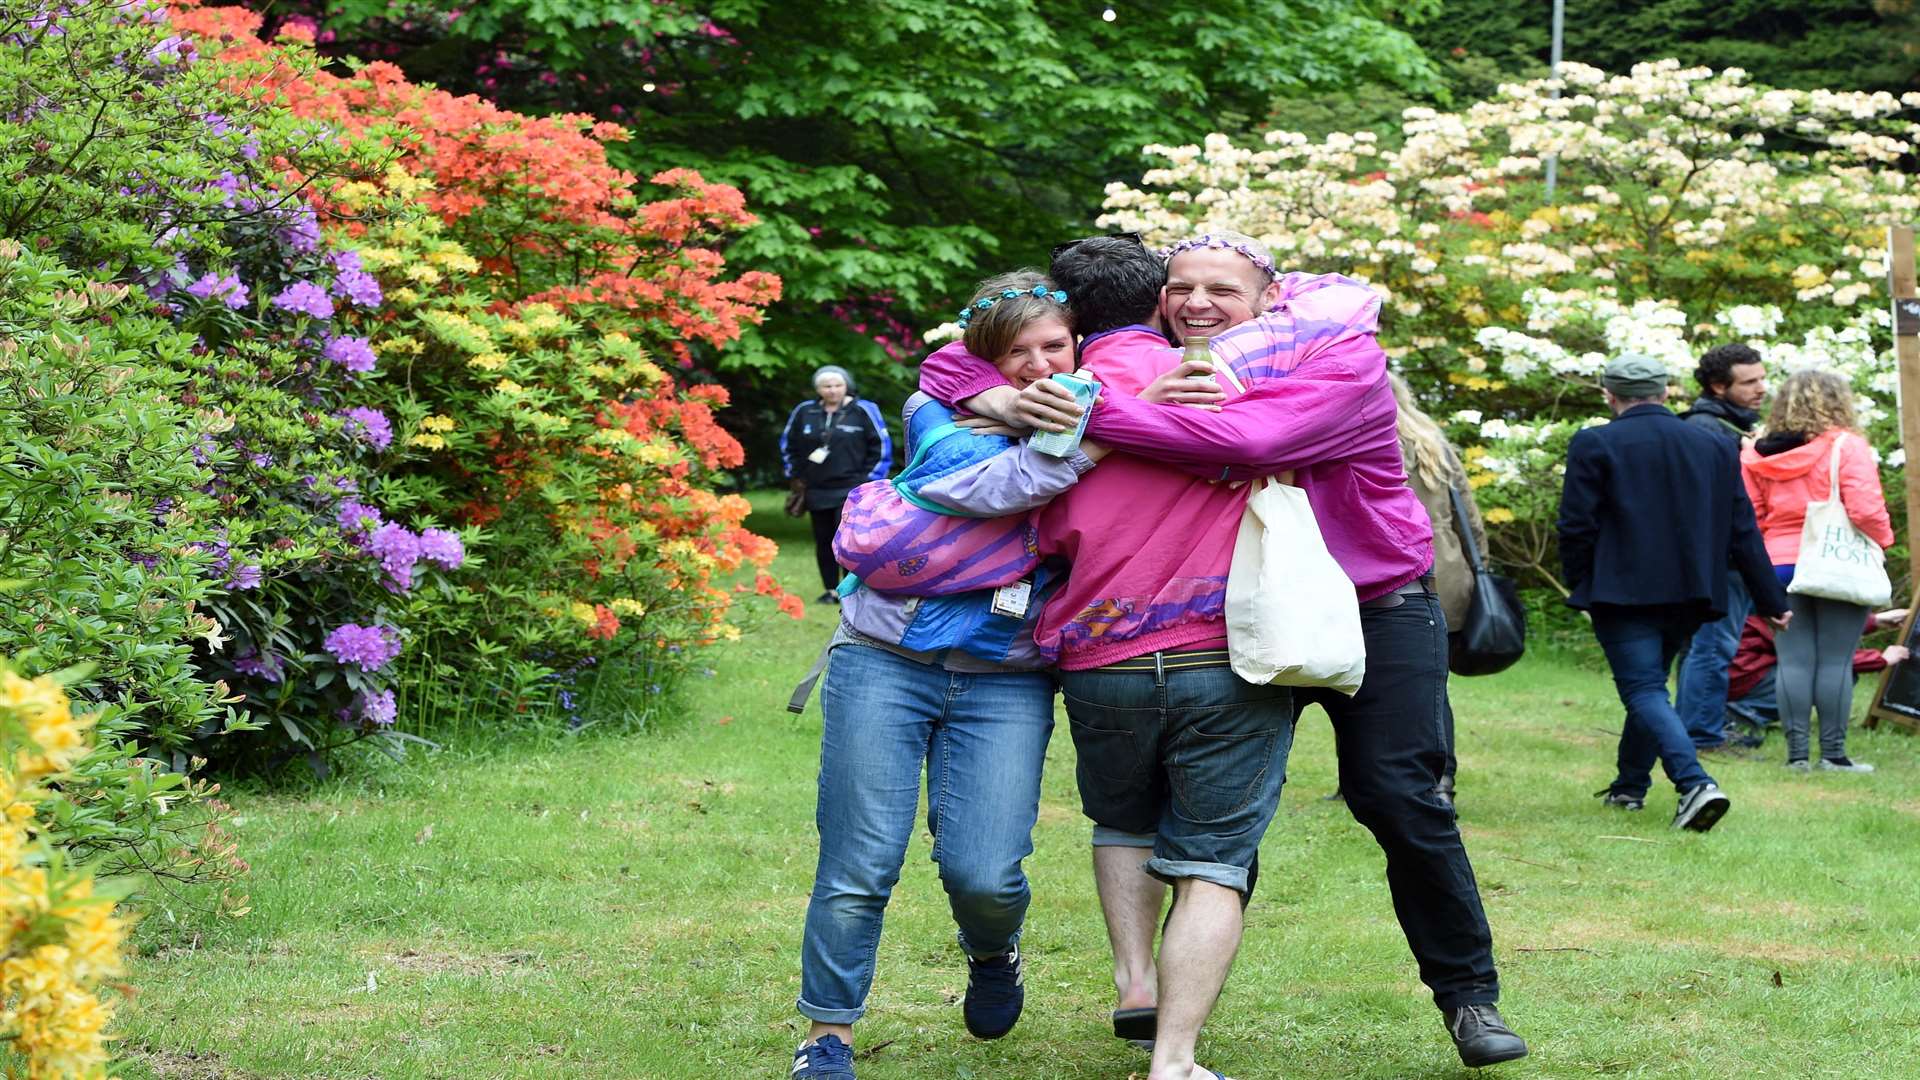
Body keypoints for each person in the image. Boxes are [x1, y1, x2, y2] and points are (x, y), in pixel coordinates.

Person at [918, 232, 1527, 1072]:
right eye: (1181, 287)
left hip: (1368, 603)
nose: (1198, 303)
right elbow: (962, 362)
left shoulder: (1340, 360)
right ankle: (1167, 1004)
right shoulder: (1168, 355)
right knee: (1214, 816)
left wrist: (1085, 412)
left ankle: (1469, 998)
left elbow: (1246, 444)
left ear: (1271, 298)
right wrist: (1003, 398)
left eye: (1221, 289)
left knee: (1395, 795)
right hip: (1241, 603)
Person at [789, 273, 1097, 1080]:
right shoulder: (938, 414)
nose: (1036, 366)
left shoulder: (1095, 400)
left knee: (985, 872)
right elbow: (1000, 482)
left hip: (1006, 676)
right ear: (984, 360)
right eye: (1015, 353)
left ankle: (993, 950)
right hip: (884, 658)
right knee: (859, 862)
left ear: (1077, 345)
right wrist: (1084, 440)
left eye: (1053, 347)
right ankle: (827, 1038)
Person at [1557, 353, 1789, 830]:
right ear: (1666, 393)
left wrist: (1583, 583)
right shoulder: (1714, 446)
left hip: (1621, 592)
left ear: (1609, 396)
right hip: (1691, 593)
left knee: (1643, 689)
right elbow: (1742, 529)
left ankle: (1694, 784)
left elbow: (1575, 526)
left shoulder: (1594, 442)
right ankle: (1629, 787)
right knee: (1652, 689)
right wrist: (1772, 600)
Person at [1740, 369, 1895, 773]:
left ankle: (1796, 757)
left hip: (1778, 565)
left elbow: (1751, 517)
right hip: (1835, 562)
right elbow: (1864, 508)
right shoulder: (1847, 446)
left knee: (1792, 661)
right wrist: (1883, 541)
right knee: (1834, 661)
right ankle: (1833, 755)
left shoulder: (1756, 453)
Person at [1387, 372, 1487, 810]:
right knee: (1432, 684)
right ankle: (1442, 775)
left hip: (1391, 571)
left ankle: (1365, 769)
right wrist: (1479, 567)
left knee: (1358, 681)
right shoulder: (1432, 441)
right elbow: (1470, 516)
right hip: (1445, 570)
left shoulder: (1368, 439)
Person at [1674, 343, 1770, 751]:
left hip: (1714, 558)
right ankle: (1701, 734)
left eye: (1762, 378)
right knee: (1713, 647)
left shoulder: (1720, 426)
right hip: (1718, 560)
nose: (1761, 389)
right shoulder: (1709, 431)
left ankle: (1696, 726)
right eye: (1749, 382)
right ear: (1717, 386)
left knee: (1706, 647)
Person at [782, 365, 890, 604]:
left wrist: (867, 482)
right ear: (818, 389)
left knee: (848, 541)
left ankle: (848, 590)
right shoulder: (804, 411)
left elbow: (881, 447)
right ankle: (830, 589)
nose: (832, 390)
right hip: (816, 489)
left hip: (852, 489)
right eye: (826, 386)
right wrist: (797, 476)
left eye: (837, 385)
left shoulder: (863, 410)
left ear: (846, 385)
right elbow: (789, 444)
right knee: (823, 539)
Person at [1726, 609, 1908, 734]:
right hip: (1739, 679)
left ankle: (1742, 710)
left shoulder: (1756, 592)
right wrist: (1880, 659)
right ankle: (1741, 713)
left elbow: (1814, 629)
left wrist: (1874, 621)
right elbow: (1813, 652)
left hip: (1729, 676)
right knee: (1837, 677)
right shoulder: (1771, 602)